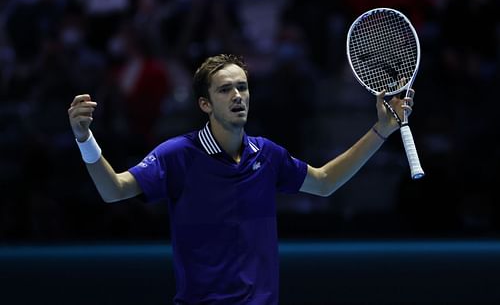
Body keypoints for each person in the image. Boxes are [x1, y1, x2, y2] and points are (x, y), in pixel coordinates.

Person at [67, 53, 414, 304]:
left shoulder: (267, 155)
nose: (237, 96)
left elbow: (324, 182)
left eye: (243, 87)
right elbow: (114, 190)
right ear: (205, 104)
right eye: (225, 90)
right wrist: (85, 139)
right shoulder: (177, 155)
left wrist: (381, 131)